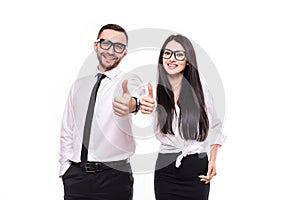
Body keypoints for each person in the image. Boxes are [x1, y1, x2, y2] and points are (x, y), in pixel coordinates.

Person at [59, 24, 154, 200]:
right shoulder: (79, 85)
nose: (111, 51)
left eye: (118, 47)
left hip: (114, 177)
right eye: (106, 43)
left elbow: (137, 98)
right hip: (76, 177)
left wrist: (136, 105)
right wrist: (65, 168)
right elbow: (68, 128)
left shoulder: (129, 80)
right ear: (96, 45)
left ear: (124, 53)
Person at [142, 34, 226, 200]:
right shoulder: (155, 90)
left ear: (188, 60)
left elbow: (215, 126)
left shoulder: (200, 89)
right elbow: (133, 104)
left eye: (179, 54)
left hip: (196, 167)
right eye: (167, 53)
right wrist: (140, 106)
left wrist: (213, 160)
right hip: (165, 168)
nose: (172, 59)